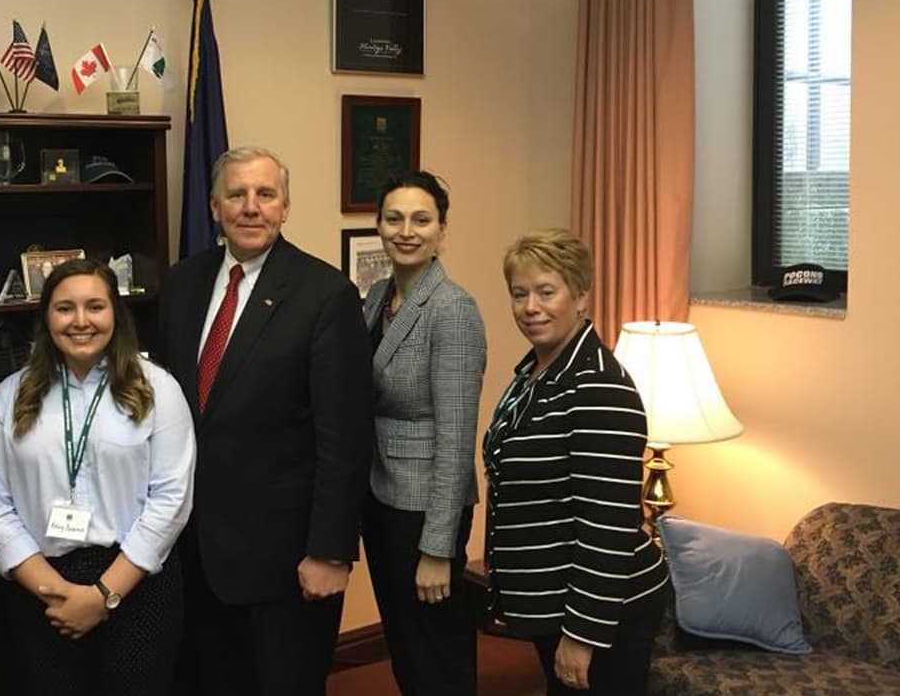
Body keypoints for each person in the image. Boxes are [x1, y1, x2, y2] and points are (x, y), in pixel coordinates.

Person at [156, 146, 375, 696]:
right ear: (213, 207)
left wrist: (329, 551)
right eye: (236, 194)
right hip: (191, 552)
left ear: (285, 207)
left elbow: (344, 438)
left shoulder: (325, 295)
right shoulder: (182, 284)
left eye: (265, 195)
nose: (250, 208)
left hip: (284, 561)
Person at [0, 258, 195, 696]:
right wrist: (55, 592)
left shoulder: (159, 390)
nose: (80, 321)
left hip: (136, 585)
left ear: (116, 312)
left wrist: (102, 596)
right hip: (40, 587)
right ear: (46, 318)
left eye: (95, 306)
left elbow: (171, 499)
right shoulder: (8, 397)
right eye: (64, 308)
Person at [484, 229, 669, 695]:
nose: (531, 307)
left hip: (603, 612)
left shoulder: (599, 386)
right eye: (520, 293)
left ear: (581, 297)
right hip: (556, 602)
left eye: (547, 292)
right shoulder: (535, 372)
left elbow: (608, 524)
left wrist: (581, 636)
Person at [360, 171, 486, 695]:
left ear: (442, 229)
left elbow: (456, 438)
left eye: (421, 219)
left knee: (436, 653)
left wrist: (438, 549)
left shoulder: (452, 310)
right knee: (407, 646)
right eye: (394, 219)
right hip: (382, 497)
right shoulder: (377, 296)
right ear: (380, 226)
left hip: (425, 509)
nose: (406, 231)